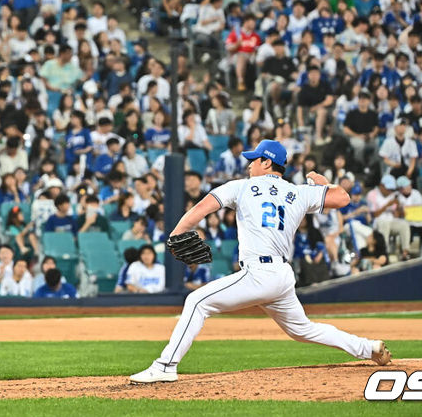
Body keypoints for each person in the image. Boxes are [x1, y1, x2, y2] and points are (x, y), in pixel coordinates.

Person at [129, 140, 390, 383]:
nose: (249, 164)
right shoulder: (298, 192)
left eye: (254, 159)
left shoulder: (240, 187)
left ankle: (165, 367)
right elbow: (343, 198)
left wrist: (176, 233)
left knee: (196, 301)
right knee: (303, 330)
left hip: (259, 273)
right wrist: (325, 183)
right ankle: (367, 347)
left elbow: (201, 209)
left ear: (267, 162)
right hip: (282, 275)